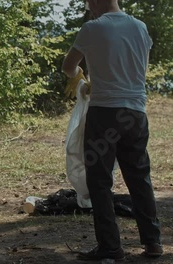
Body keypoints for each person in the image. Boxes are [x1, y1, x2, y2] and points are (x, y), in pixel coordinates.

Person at [62, 0, 162, 261]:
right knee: (139, 177)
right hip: (136, 113)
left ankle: (111, 247)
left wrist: (80, 79)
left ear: (96, 1)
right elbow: (139, 69)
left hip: (105, 113)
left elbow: (68, 66)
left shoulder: (92, 28)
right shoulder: (140, 28)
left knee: (100, 181)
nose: (88, 9)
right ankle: (153, 242)